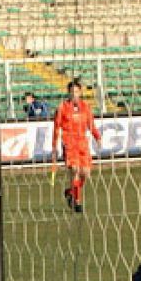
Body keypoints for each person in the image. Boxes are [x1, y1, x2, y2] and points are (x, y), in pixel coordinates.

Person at [51, 80, 101, 213]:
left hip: (82, 143)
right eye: (72, 91)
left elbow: (91, 124)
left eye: (77, 91)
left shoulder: (85, 107)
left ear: (80, 92)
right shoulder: (62, 107)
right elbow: (56, 127)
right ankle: (77, 202)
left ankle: (70, 192)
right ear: (68, 93)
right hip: (69, 143)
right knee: (75, 170)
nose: (74, 94)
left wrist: (97, 137)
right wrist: (54, 146)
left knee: (85, 173)